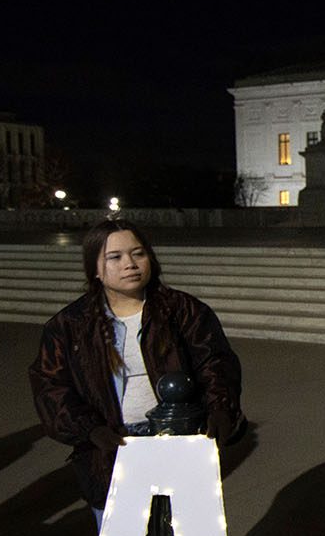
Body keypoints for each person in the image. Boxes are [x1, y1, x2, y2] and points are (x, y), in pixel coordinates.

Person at [28, 218, 243, 518]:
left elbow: (215, 363)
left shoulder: (183, 311)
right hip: (113, 448)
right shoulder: (69, 326)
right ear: (96, 270)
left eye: (138, 253)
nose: (129, 264)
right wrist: (90, 429)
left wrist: (220, 408)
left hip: (178, 442)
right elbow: (51, 386)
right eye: (114, 257)